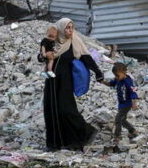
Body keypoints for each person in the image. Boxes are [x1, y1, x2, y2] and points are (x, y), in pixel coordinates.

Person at [41, 18, 104, 151]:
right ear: (61, 29)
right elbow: (40, 57)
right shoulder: (53, 42)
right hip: (51, 81)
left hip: (65, 82)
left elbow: (87, 58)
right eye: (67, 28)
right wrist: (44, 56)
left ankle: (84, 133)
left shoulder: (75, 42)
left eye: (72, 27)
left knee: (67, 110)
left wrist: (98, 73)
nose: (70, 30)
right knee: (51, 110)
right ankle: (54, 144)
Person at [103, 62, 138, 143]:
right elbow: (111, 84)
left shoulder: (128, 82)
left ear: (124, 72)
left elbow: (134, 92)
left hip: (127, 104)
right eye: (115, 75)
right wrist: (103, 82)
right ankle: (133, 131)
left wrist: (134, 103)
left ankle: (117, 136)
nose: (116, 77)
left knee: (118, 119)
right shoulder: (118, 79)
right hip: (121, 104)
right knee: (122, 120)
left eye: (117, 75)